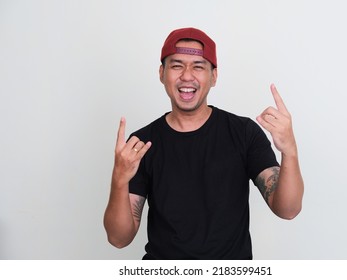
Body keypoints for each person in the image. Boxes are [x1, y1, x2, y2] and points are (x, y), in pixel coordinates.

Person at [104, 27, 304, 259]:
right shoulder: (142, 144)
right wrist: (119, 178)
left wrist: (289, 152)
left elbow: (288, 210)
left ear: (214, 76)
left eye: (198, 66)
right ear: (161, 73)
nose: (187, 76)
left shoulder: (244, 133)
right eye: (177, 65)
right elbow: (119, 238)